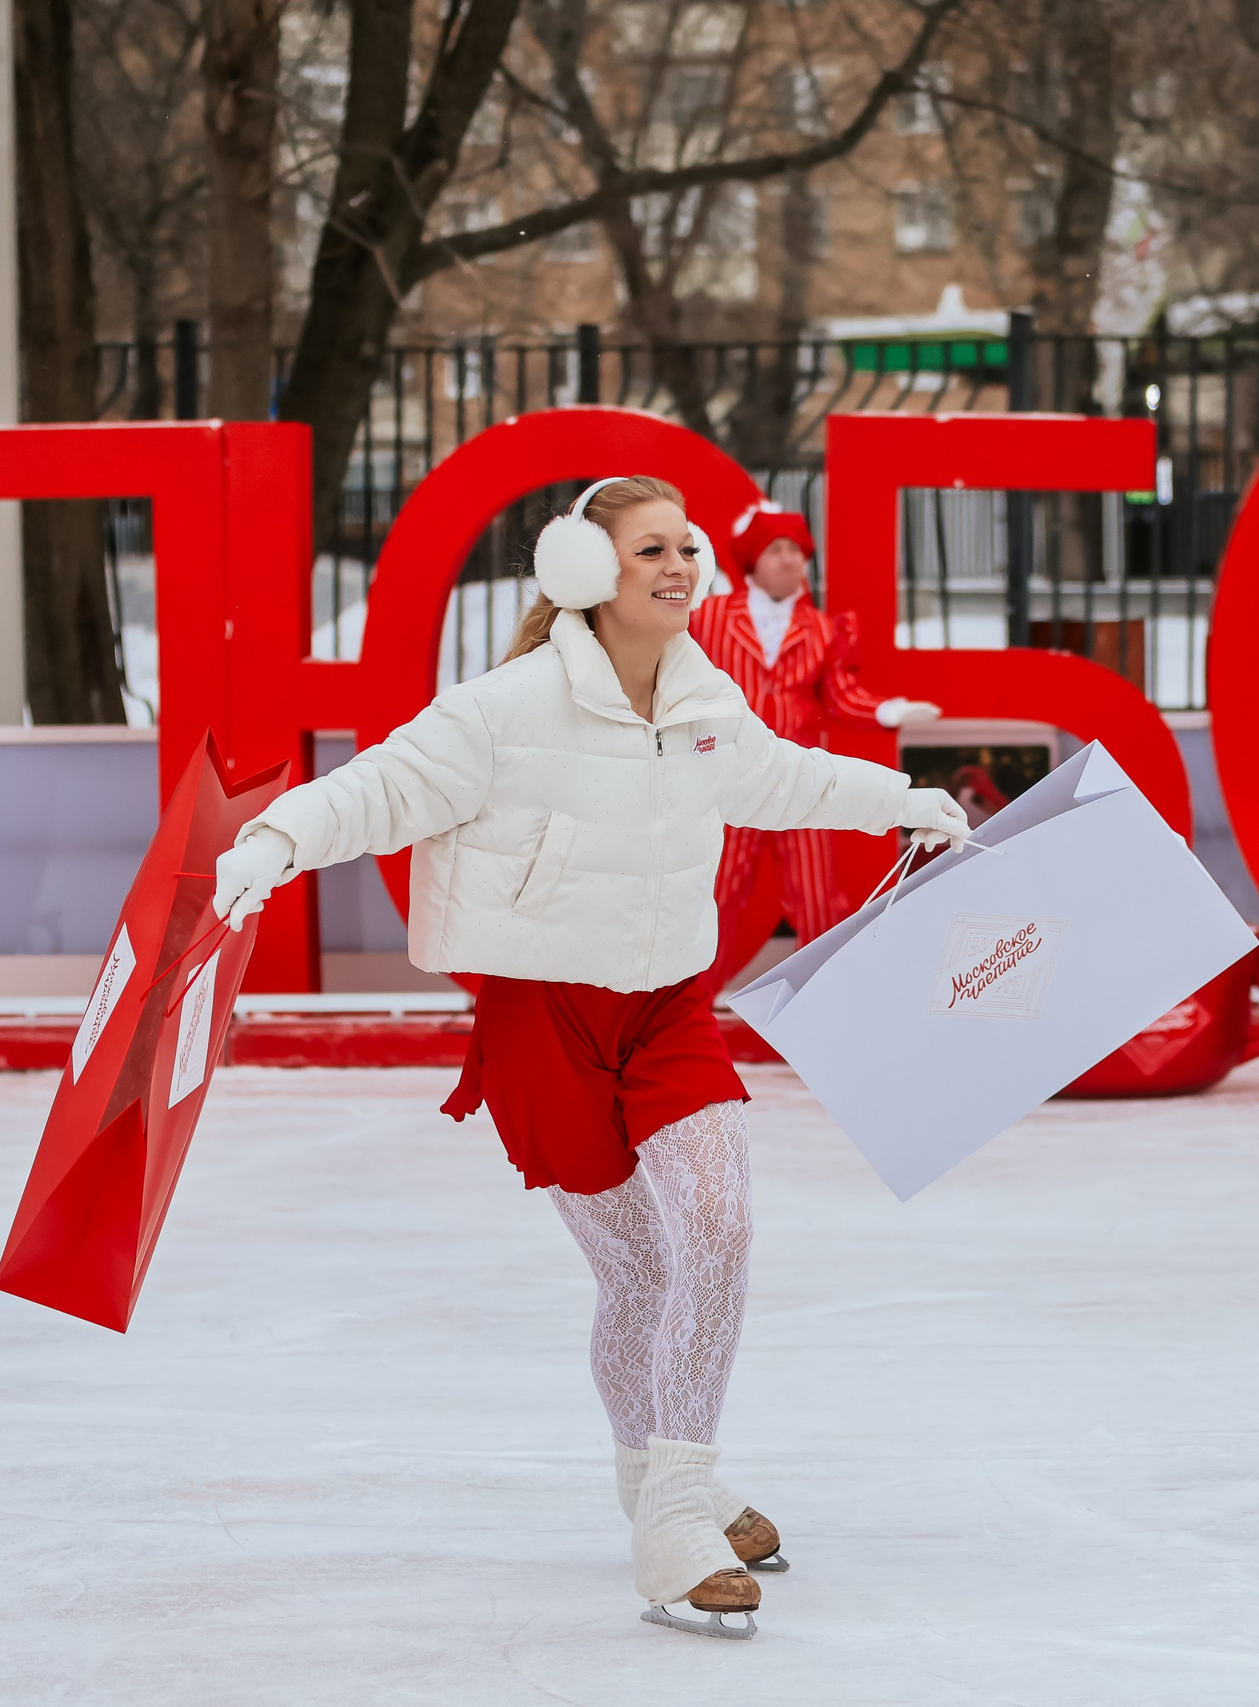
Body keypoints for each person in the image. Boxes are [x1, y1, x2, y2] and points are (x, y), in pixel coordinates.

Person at [209, 476, 970, 1639]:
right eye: (650, 549)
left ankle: (673, 1505)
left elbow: (780, 776)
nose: (680, 568)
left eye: (688, 549)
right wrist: (273, 840)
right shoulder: (505, 708)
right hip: (542, 1025)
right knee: (641, 1276)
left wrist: (897, 798)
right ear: (583, 572)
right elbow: (383, 789)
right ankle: (657, 1482)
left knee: (717, 1223)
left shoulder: (703, 700)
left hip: (666, 1006)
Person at [690, 501, 939, 985]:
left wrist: (887, 710)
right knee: (716, 894)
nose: (790, 560)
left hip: (796, 778)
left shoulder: (823, 628)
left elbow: (840, 695)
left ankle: (826, 997)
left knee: (815, 894)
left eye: (798, 551)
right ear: (753, 561)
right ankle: (688, 1005)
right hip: (729, 778)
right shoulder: (710, 617)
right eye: (777, 549)